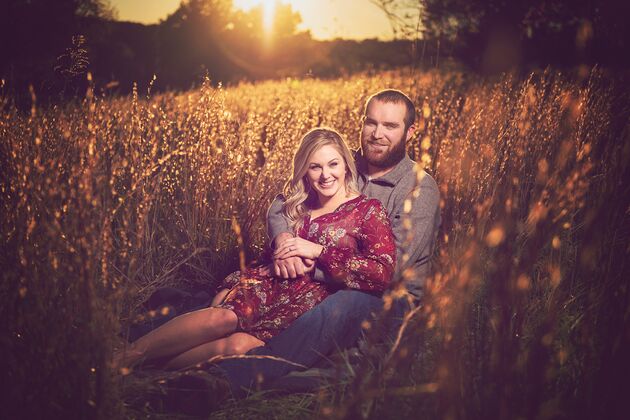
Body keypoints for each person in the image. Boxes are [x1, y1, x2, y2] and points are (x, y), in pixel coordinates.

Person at [212, 89, 441, 395]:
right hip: (325, 282)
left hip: (385, 299)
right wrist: (284, 241)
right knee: (249, 294)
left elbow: (392, 272)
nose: (377, 134)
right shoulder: (341, 161)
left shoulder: (418, 189)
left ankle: (231, 378)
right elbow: (283, 202)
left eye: (390, 126)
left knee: (343, 304)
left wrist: (314, 262)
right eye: (371, 122)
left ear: (410, 132)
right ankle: (190, 342)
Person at [115, 128, 396, 371]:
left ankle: (151, 373)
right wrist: (277, 252)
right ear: (305, 171)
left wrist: (319, 251)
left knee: (236, 345)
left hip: (308, 304)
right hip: (269, 283)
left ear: (346, 164)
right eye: (315, 167)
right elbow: (275, 229)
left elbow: (381, 273)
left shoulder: (368, 210)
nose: (325, 175)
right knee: (222, 318)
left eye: (333, 164)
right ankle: (124, 360)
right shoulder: (298, 203)